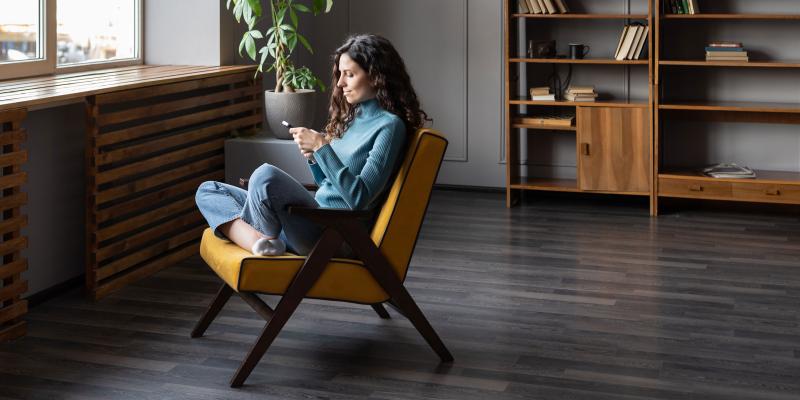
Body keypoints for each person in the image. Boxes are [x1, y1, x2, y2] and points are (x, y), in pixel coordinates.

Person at [195, 34, 430, 257]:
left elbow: (359, 198)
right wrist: (313, 158)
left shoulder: (389, 127)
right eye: (340, 74)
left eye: (349, 74)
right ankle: (259, 242)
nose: (340, 83)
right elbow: (325, 185)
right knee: (209, 190)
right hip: (311, 218)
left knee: (265, 175)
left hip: (334, 233)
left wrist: (322, 147)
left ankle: (261, 239)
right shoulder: (353, 118)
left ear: (376, 76)